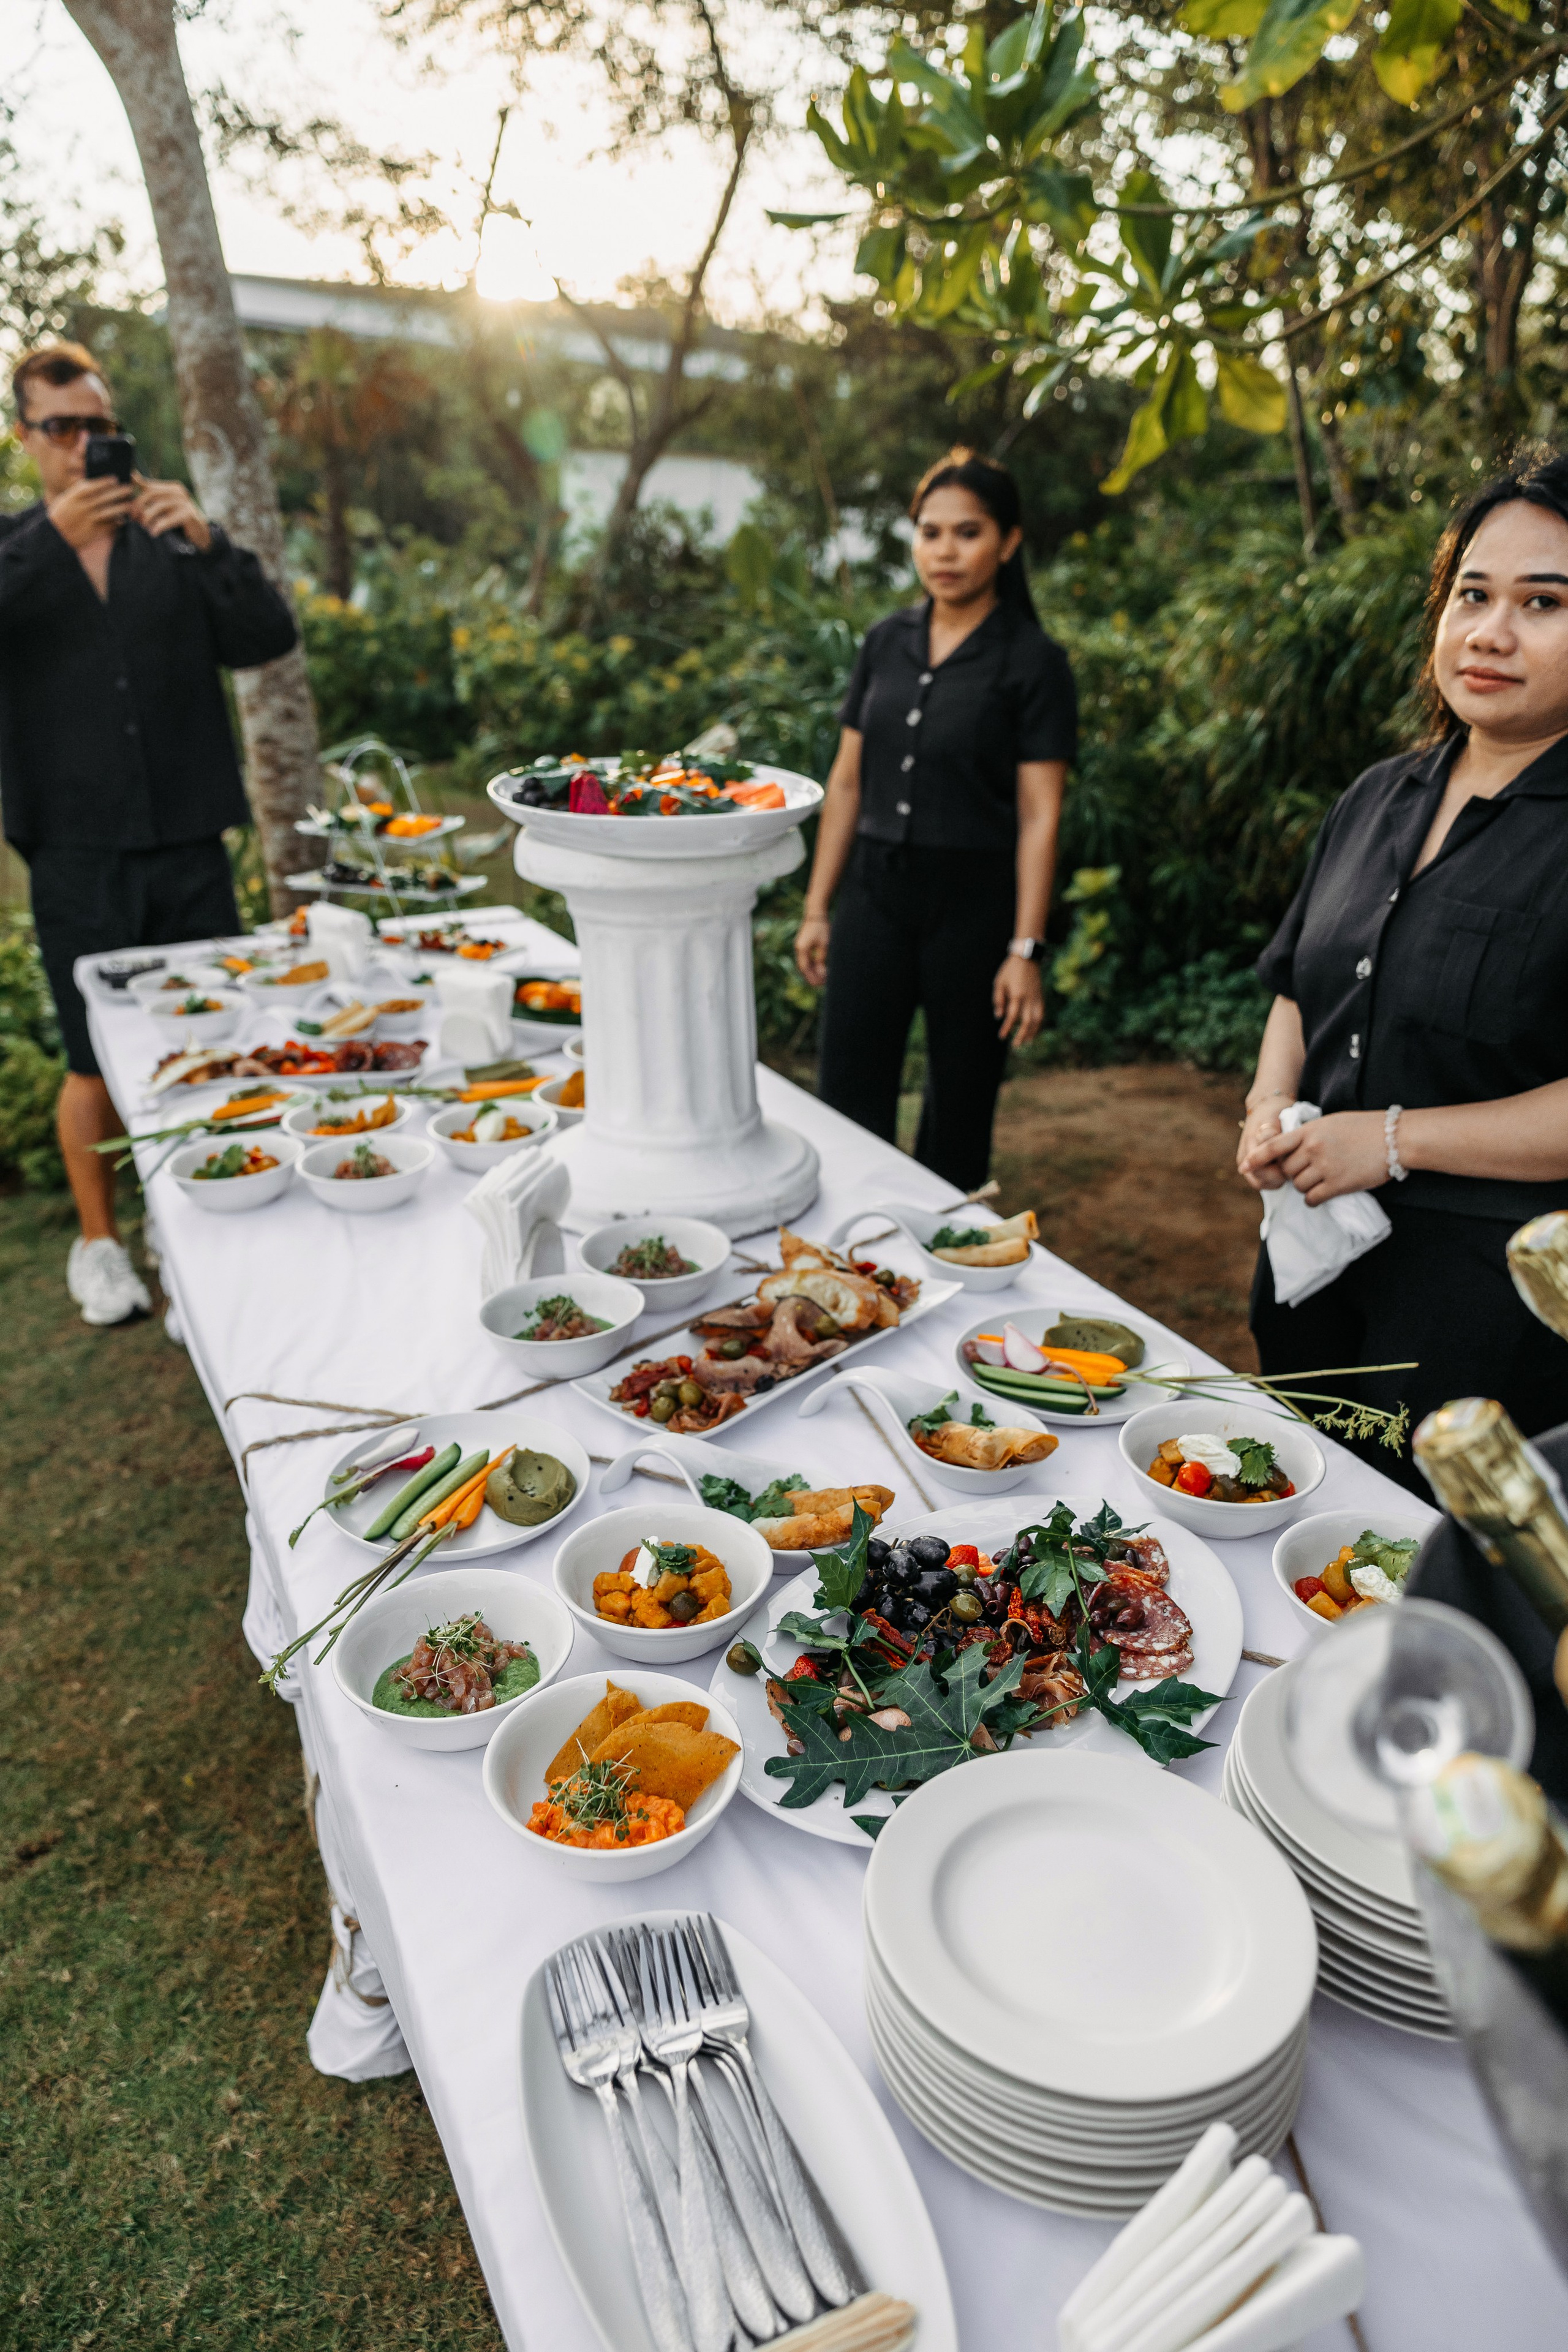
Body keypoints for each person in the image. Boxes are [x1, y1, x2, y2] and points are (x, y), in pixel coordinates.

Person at [1238, 448, 1568, 1492]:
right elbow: (1301, 977)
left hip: (1489, 1317)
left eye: (1543, 603)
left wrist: (1389, 1142)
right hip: (1316, 1269)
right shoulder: (1380, 794)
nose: (1490, 632)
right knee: (1297, 1527)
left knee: (1427, 1588)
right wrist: (1268, 1099)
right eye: (1473, 593)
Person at [0, 342, 298, 1327]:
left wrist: (212, 545)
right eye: (64, 428)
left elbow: (267, 636)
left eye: (100, 426)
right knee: (93, 1060)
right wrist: (49, 537)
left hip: (186, 843)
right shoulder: (14, 549)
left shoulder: (170, 544)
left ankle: (190, 1249)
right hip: (74, 851)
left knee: (201, 1049)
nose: (88, 444)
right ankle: (101, 1247)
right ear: (26, 437)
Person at [793, 448, 1075, 1192]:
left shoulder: (1033, 661)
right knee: (849, 1092)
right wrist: (818, 908)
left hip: (974, 909)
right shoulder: (885, 641)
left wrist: (1025, 948)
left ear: (1008, 543)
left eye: (967, 532)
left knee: (959, 1104)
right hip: (873, 896)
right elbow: (847, 784)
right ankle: (845, 1265)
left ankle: (945, 1266)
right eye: (929, 531)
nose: (944, 551)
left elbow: (1040, 815)